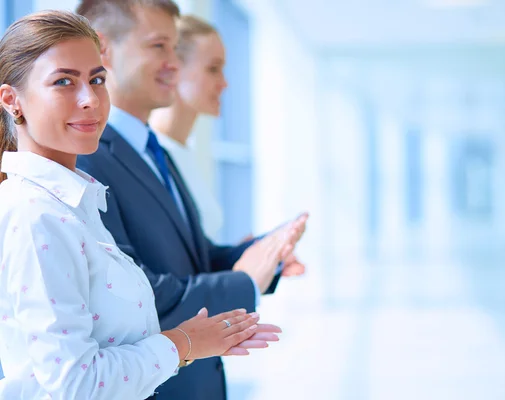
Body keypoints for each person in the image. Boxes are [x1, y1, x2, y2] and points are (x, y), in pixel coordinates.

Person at [0, 10, 282, 399]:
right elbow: (74, 385)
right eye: (64, 81)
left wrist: (198, 339)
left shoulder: (77, 203)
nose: (89, 99)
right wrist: (183, 344)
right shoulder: (37, 215)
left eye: (96, 80)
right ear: (11, 100)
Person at [74, 1, 307, 398]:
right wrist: (244, 281)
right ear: (103, 51)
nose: (174, 63)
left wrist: (264, 253)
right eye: (158, 46)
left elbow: (192, 256)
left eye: (175, 48)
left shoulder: (150, 148)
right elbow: (135, 295)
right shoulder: (87, 157)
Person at [149, 15, 307, 275]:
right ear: (172, 69)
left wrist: (256, 255)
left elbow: (195, 259)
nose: (224, 83)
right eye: (213, 69)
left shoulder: (184, 154)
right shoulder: (150, 156)